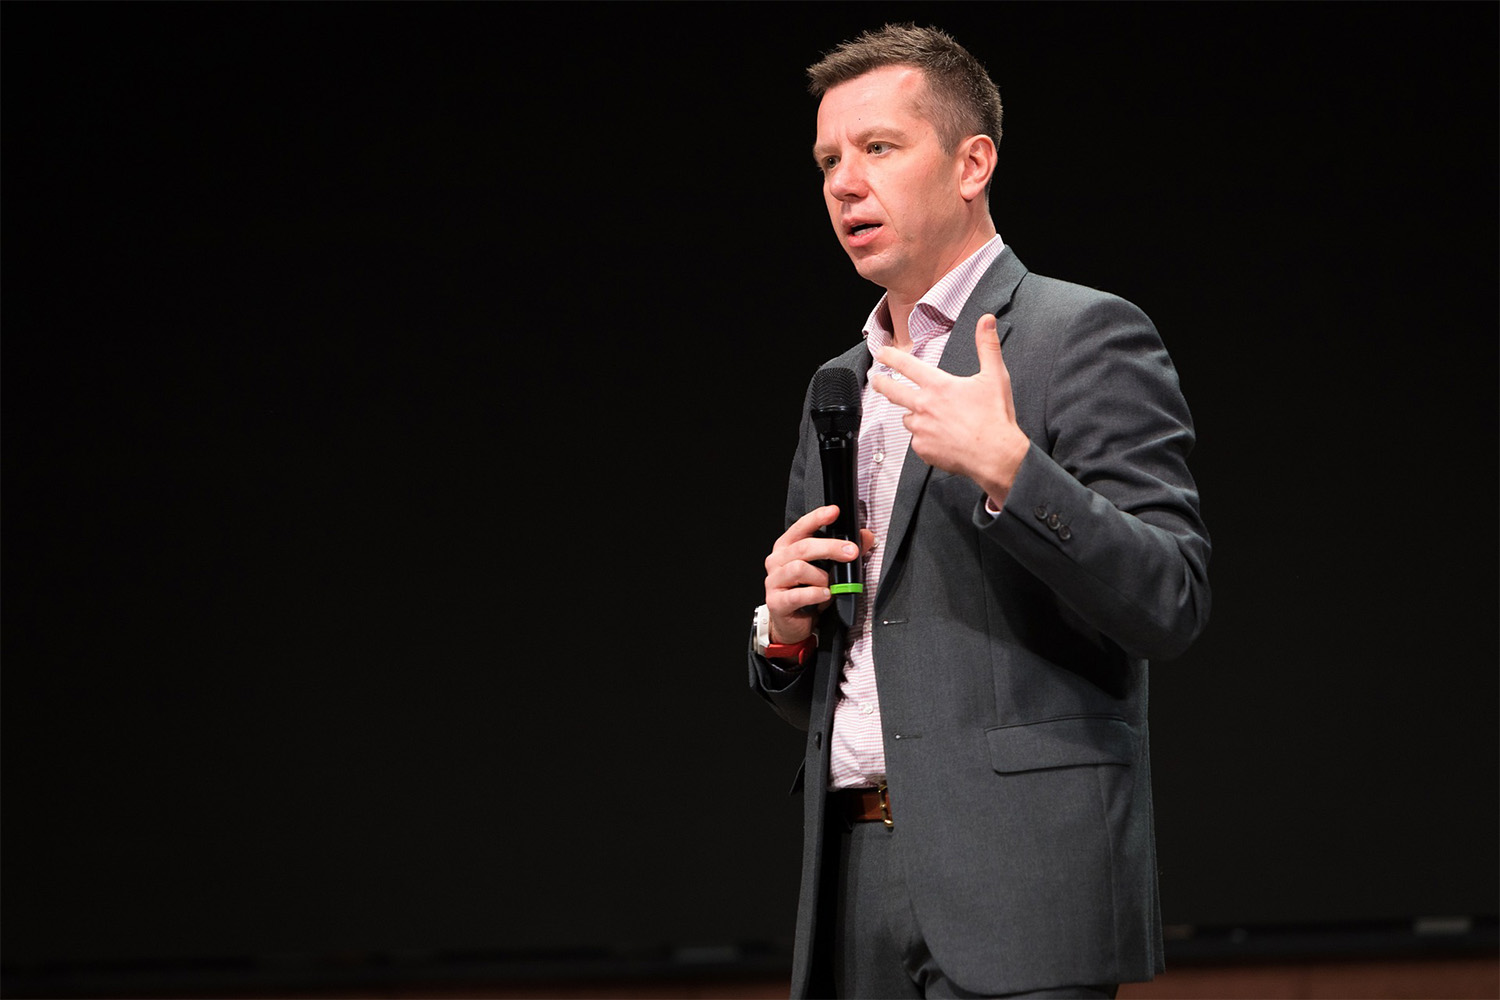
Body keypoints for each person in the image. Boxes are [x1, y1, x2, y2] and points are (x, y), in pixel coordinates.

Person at [747, 24, 1212, 1000]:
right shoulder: (838, 384)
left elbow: (1170, 598)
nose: (843, 182)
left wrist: (1012, 471)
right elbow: (860, 673)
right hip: (853, 874)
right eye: (829, 158)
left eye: (878, 147)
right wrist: (787, 635)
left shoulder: (1080, 333)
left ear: (972, 162)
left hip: (1025, 876)